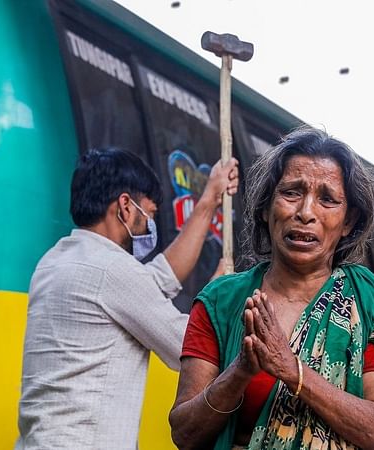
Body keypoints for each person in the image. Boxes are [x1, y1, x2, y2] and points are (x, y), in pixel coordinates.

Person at [169, 126, 374, 450]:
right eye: (291, 193)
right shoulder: (221, 302)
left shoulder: (372, 305)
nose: (305, 213)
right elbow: (184, 434)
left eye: (327, 199)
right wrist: (240, 372)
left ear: (348, 222)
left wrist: (291, 370)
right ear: (265, 207)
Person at [16, 148, 239, 450]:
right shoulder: (112, 269)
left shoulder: (54, 261)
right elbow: (185, 346)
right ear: (125, 206)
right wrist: (219, 293)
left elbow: (161, 277)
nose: (148, 225)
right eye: (149, 214)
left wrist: (210, 198)